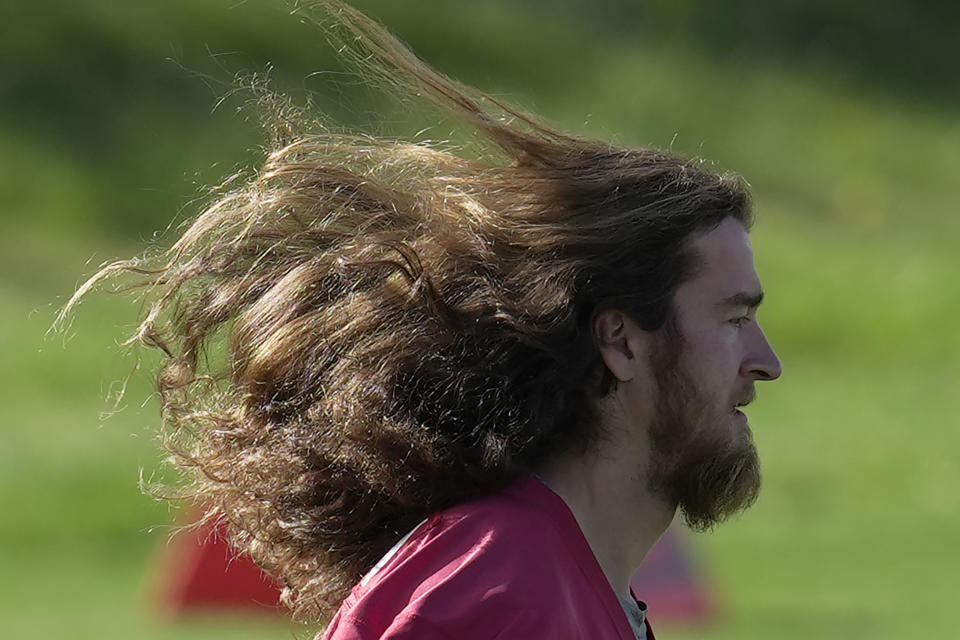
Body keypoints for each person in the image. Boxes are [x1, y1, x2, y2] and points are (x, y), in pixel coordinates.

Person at [67, 2, 781, 638]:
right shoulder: (494, 591)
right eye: (732, 319)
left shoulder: (553, 579)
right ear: (620, 340)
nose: (765, 360)